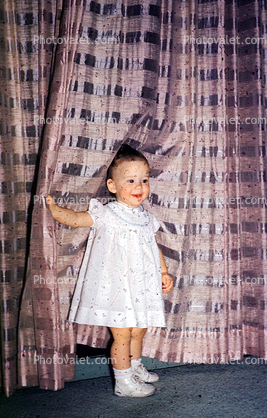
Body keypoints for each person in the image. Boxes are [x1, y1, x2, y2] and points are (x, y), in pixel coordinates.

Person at [46, 144, 173, 397]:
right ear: (113, 186)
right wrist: (55, 210)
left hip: (142, 286)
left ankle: (135, 367)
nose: (139, 187)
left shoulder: (146, 218)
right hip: (119, 289)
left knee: (140, 329)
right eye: (131, 180)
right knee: (123, 334)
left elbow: (153, 246)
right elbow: (78, 219)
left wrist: (163, 272)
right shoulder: (107, 213)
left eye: (144, 180)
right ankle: (123, 382)